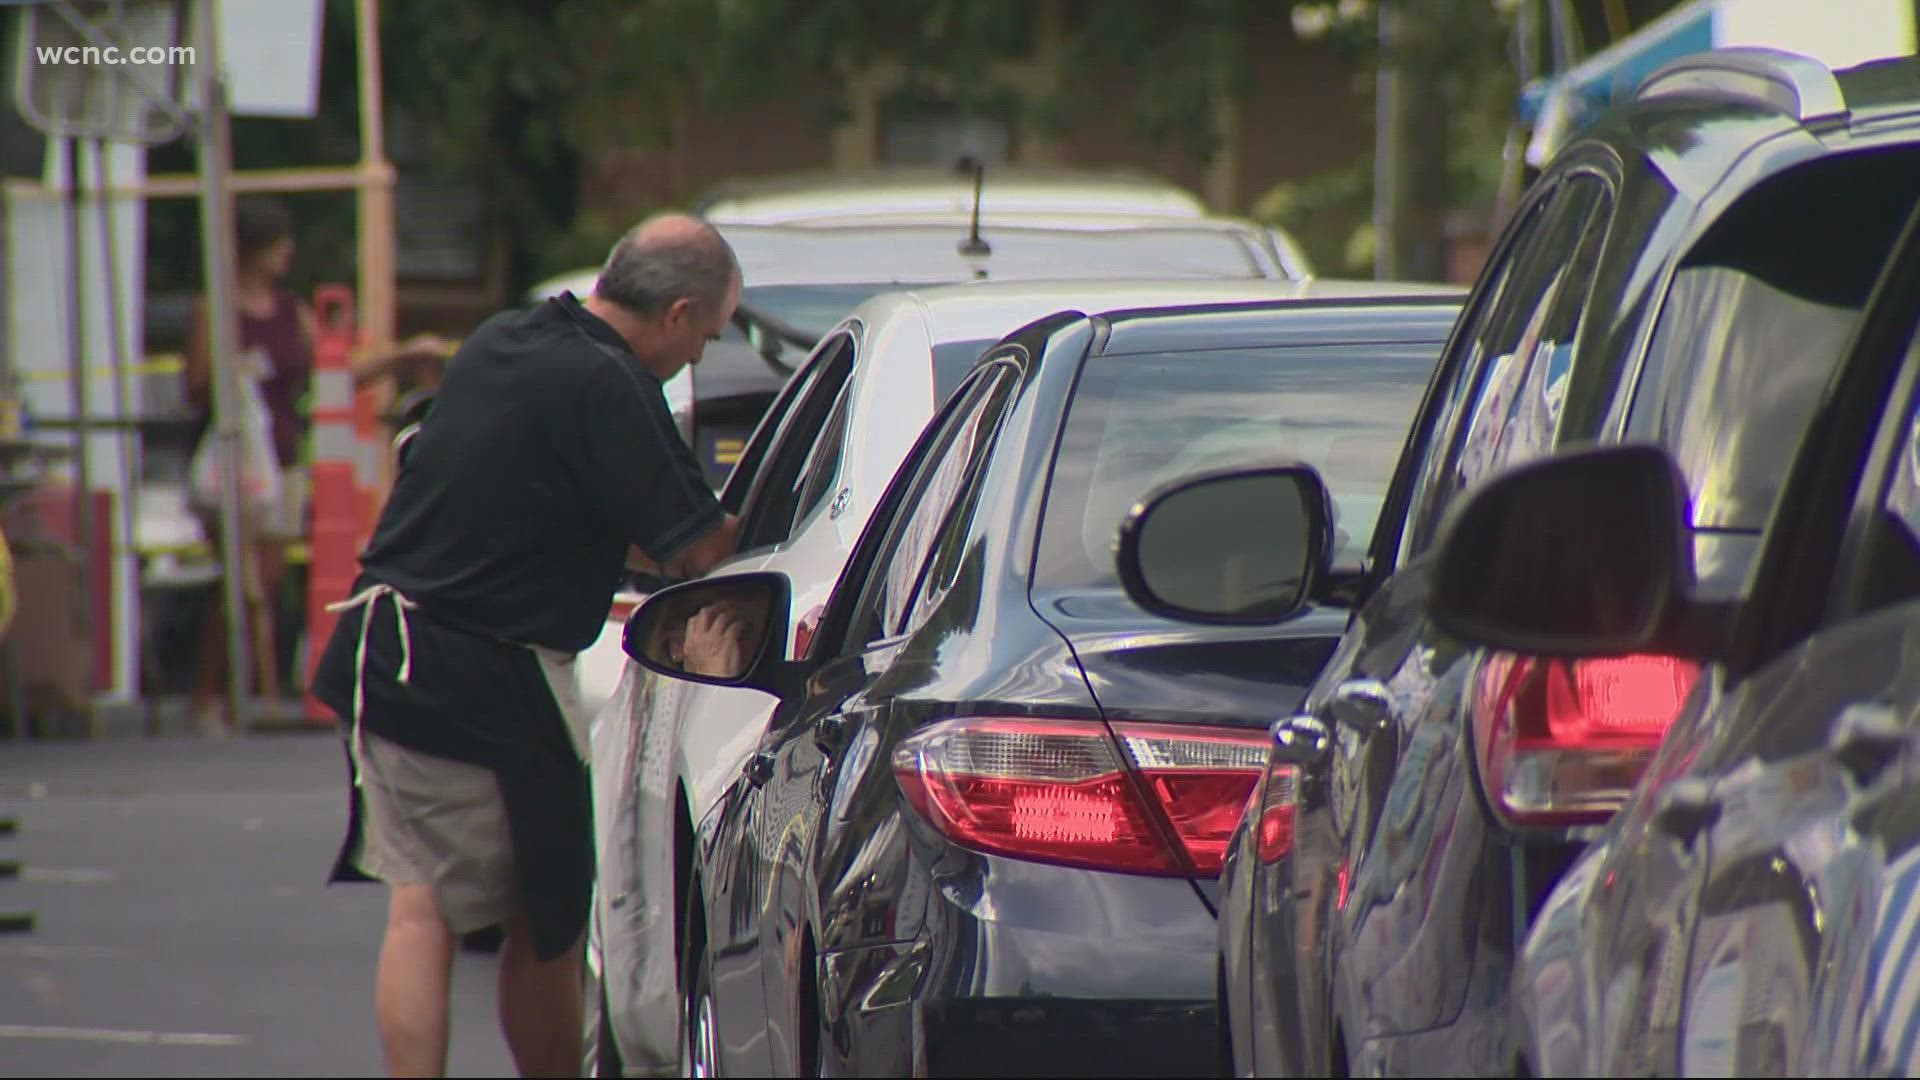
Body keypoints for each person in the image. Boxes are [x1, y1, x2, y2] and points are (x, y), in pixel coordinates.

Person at [311, 213, 745, 1078]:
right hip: (484, 672)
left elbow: (526, 498)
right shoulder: (613, 384)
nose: (698, 358)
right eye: (707, 335)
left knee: (421, 909)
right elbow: (697, 548)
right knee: (546, 918)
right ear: (677, 313)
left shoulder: (506, 338)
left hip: (380, 651)